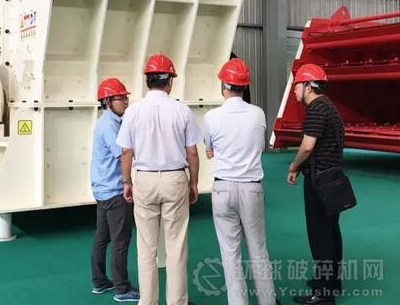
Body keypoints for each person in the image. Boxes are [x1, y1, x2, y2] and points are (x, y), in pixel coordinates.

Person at [116, 54, 201, 305]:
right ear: (170, 81)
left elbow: (126, 151)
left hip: (144, 179)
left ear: (147, 81)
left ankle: (148, 301)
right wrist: (193, 183)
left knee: (146, 248)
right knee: (176, 247)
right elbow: (192, 152)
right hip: (175, 179)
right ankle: (176, 302)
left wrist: (127, 182)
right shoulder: (181, 110)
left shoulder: (133, 111)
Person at [204, 58, 280, 305]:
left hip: (222, 188)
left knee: (230, 254)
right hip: (251, 189)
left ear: (223, 86)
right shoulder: (258, 113)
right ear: (245, 86)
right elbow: (259, 145)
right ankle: (268, 302)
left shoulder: (212, 117)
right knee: (258, 250)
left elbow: (209, 149)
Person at [287, 64, 344, 305]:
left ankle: (323, 294)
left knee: (320, 235)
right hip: (332, 179)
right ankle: (330, 282)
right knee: (331, 231)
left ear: (308, 86)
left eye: (297, 85)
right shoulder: (329, 106)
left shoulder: (316, 109)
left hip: (319, 181)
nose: (294, 90)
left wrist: (294, 166)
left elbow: (308, 146)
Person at [90, 78, 140, 302]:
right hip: (114, 190)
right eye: (122, 98)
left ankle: (100, 282)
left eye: (126, 97)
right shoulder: (110, 125)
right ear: (108, 101)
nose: (126, 102)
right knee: (121, 240)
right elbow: (122, 154)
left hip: (103, 189)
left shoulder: (107, 122)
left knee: (102, 237)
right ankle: (122, 289)